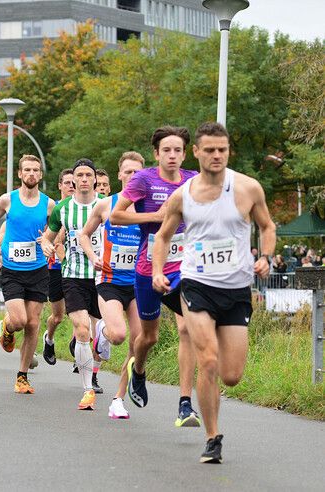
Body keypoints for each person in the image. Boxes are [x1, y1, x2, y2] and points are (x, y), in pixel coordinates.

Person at [151, 122, 275, 463]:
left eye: (222, 149)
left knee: (231, 375)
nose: (216, 155)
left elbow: (267, 226)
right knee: (207, 360)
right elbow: (162, 237)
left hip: (235, 288)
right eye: (209, 150)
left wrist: (265, 256)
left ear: (228, 151)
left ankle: (213, 412)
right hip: (196, 285)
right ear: (198, 152)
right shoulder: (184, 195)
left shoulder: (248, 188)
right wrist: (159, 271)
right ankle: (212, 436)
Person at [109, 126, 201, 427]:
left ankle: (185, 404)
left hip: (183, 267)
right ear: (156, 154)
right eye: (166, 150)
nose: (172, 155)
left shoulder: (193, 181)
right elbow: (117, 215)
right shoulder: (143, 180)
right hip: (148, 268)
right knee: (148, 337)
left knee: (188, 328)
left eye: (177, 150)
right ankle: (139, 371)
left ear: (185, 154)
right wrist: (156, 217)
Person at [79, 151, 145, 419]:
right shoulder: (106, 205)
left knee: (139, 342)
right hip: (109, 282)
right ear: (119, 175)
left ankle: (118, 399)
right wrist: (93, 257)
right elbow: (84, 234)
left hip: (139, 283)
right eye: (127, 172)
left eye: (137, 173)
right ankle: (104, 330)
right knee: (118, 336)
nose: (132, 177)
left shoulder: (149, 208)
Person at [0, 154, 55, 394]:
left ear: (40, 174)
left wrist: (48, 241)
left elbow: (57, 229)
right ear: (19, 174)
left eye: (35, 170)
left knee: (33, 324)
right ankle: (6, 326)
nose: (31, 174)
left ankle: (22, 376)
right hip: (12, 269)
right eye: (27, 170)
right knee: (19, 321)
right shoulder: (7, 200)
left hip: (38, 269)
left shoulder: (49, 204)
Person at [41, 158, 102, 410]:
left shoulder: (106, 206)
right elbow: (48, 237)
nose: (85, 179)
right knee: (82, 329)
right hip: (73, 274)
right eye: (80, 175)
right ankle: (87, 389)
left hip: (102, 277)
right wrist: (45, 244)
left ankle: (97, 357)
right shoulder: (62, 209)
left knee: (102, 335)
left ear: (96, 179)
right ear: (73, 180)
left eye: (89, 174)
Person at [42, 168, 74, 365]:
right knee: (58, 316)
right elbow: (48, 238)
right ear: (60, 185)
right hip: (55, 268)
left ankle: (78, 346)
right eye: (67, 182)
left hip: (77, 269)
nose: (72, 186)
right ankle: (49, 339)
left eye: (74, 182)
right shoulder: (54, 211)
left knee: (81, 313)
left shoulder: (83, 209)